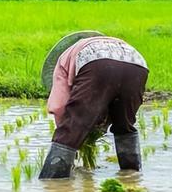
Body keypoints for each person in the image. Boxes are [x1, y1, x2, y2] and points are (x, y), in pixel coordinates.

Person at [39, 31, 149, 179]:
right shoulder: (110, 44)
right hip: (137, 64)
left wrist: (70, 136)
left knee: (73, 125)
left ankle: (53, 180)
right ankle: (131, 175)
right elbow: (107, 102)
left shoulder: (64, 59)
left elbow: (58, 107)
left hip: (98, 65)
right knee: (125, 125)